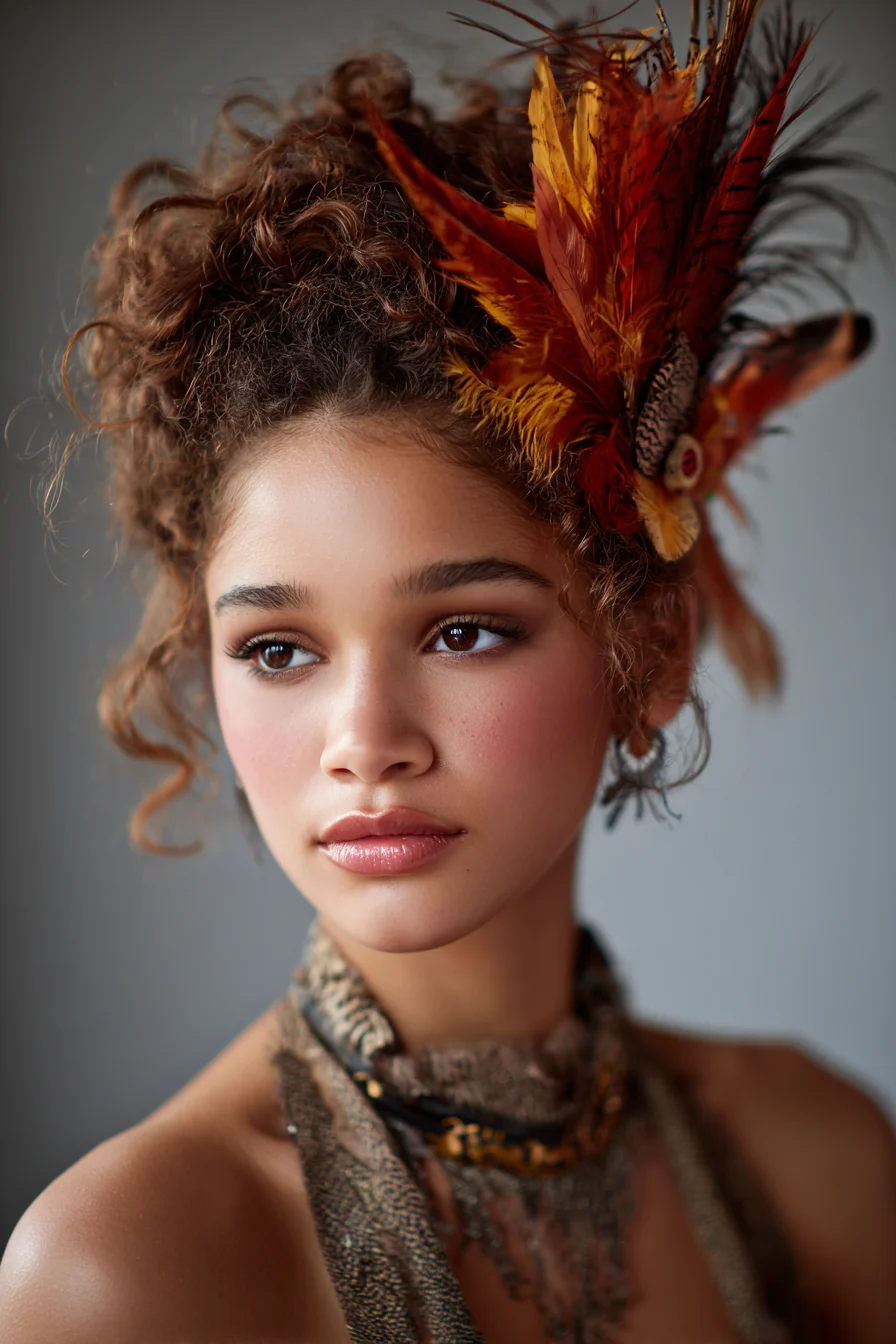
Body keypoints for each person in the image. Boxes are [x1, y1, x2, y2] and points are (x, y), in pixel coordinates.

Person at [1, 2, 894, 1340]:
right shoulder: (130, 1267)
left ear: (648, 649)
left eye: (464, 629)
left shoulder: (820, 1155)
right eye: (280, 649)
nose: (365, 739)